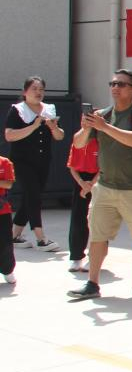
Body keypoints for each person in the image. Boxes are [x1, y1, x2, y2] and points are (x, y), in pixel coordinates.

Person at [68, 69, 132, 300]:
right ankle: (92, 283)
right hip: (105, 186)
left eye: (122, 84)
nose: (115, 87)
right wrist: (87, 128)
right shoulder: (101, 116)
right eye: (113, 83)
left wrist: (104, 127)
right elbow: (78, 144)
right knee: (97, 236)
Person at [6, 76, 65, 251]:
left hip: (43, 160)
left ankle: (13, 235)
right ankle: (41, 238)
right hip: (22, 161)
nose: (38, 92)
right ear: (25, 92)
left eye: (41, 89)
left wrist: (53, 127)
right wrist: (34, 125)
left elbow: (60, 136)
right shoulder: (17, 110)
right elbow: (9, 136)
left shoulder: (49, 109)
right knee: (33, 195)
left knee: (31, 196)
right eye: (34, 89)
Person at [66, 128, 100, 273]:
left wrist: (91, 185)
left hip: (98, 180)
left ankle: (95, 257)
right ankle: (76, 257)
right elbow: (72, 167)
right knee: (77, 218)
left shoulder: (102, 141)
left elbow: (103, 167)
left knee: (97, 221)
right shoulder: (78, 141)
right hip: (80, 181)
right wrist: (82, 184)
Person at [0, 153, 15, 286]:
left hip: (3, 211)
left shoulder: (5, 162)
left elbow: (8, 184)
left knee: (5, 242)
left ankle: (8, 271)